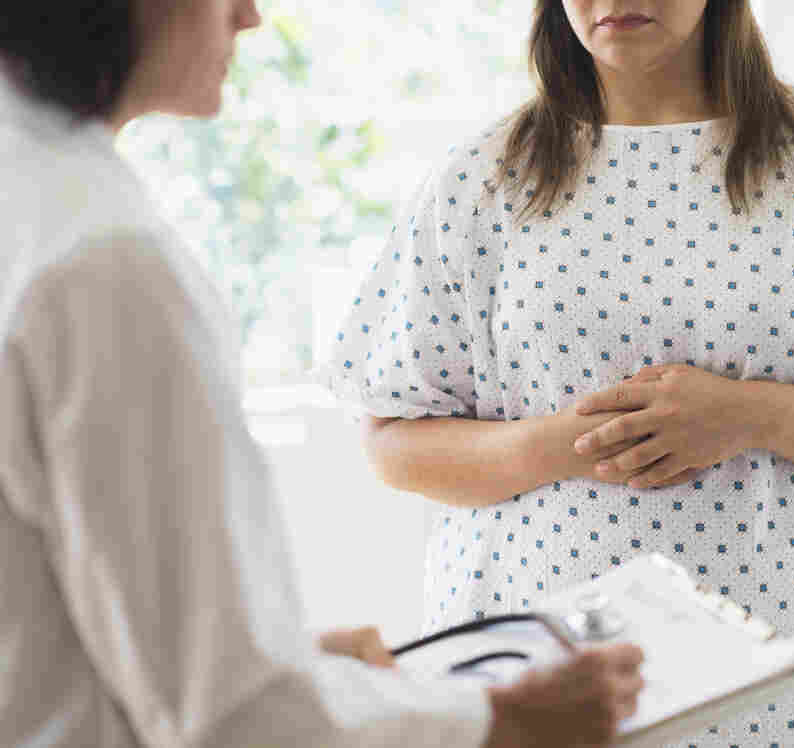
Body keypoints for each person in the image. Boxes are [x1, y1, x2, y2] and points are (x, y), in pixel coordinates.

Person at [323, 1, 794, 746]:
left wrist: (746, 414)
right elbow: (393, 439)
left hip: (790, 671)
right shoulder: (484, 175)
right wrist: (572, 443)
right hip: (545, 681)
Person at [0, 2, 646, 747]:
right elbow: (235, 720)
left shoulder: (40, 211)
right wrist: (505, 722)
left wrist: (296, 667)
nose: (249, 18)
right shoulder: (105, 268)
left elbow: (68, 630)